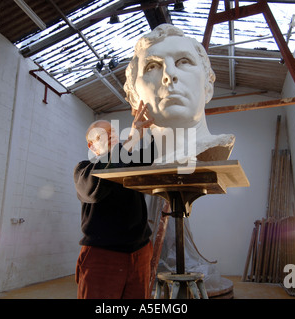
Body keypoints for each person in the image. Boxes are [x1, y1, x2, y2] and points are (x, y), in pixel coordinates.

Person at [73, 104, 155, 299]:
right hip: (103, 256)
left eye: (112, 132)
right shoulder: (84, 170)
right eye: (101, 135)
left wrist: (153, 127)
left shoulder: (132, 161)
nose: (110, 135)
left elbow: (155, 154)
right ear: (91, 146)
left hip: (140, 252)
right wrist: (131, 140)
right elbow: (98, 183)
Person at [124, 23, 235, 163]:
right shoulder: (141, 161)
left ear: (208, 87)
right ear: (134, 97)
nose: (169, 73)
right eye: (152, 67)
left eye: (183, 62)